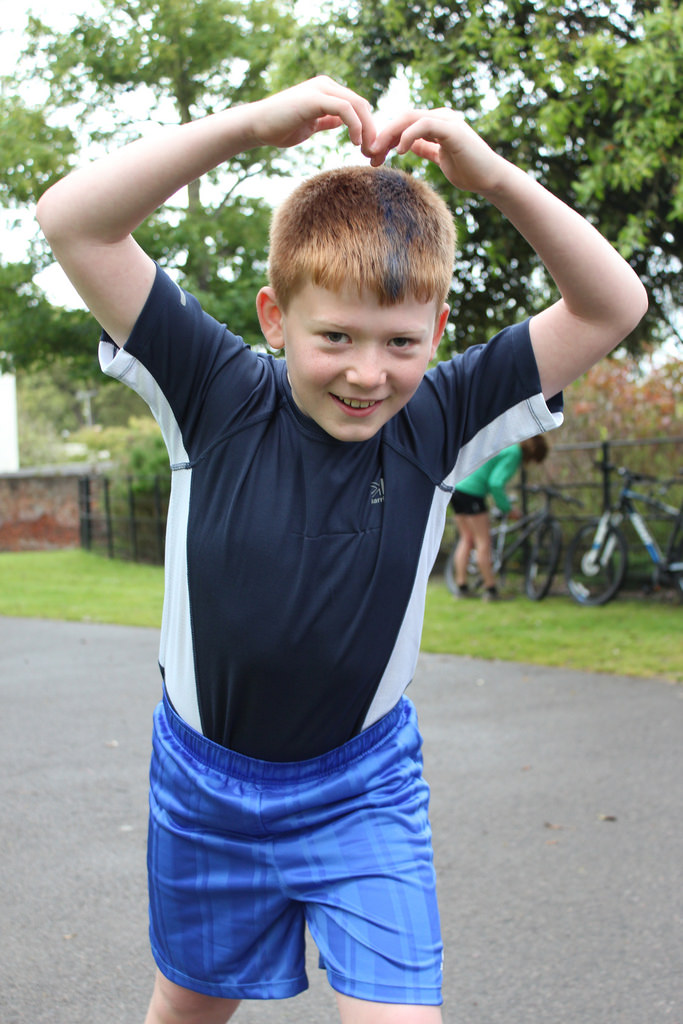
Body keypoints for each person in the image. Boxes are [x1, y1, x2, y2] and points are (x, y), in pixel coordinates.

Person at [36, 76, 647, 1024]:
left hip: (359, 788)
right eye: (334, 337)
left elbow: (612, 305)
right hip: (204, 786)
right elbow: (73, 221)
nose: (369, 372)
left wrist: (493, 181)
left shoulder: (440, 416)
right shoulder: (214, 392)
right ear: (276, 318)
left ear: (436, 332)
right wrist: (245, 127)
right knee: (189, 1007)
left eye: (401, 342)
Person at [450, 434, 549, 600]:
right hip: (472, 493)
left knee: (466, 539)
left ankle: (461, 587)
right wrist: (507, 509)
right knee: (483, 542)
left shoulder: (507, 444)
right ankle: (491, 590)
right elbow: (495, 482)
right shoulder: (514, 452)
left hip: (457, 488)